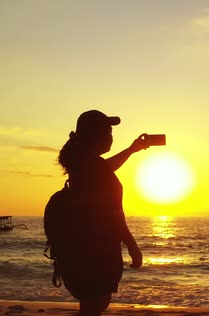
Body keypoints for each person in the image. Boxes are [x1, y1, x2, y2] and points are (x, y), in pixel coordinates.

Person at [57, 110, 150, 316]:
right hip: (96, 251)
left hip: (82, 248)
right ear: (94, 135)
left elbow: (108, 167)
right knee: (95, 305)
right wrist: (132, 246)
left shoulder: (83, 164)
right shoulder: (92, 165)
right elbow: (114, 214)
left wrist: (132, 149)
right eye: (107, 131)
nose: (111, 136)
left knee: (92, 305)